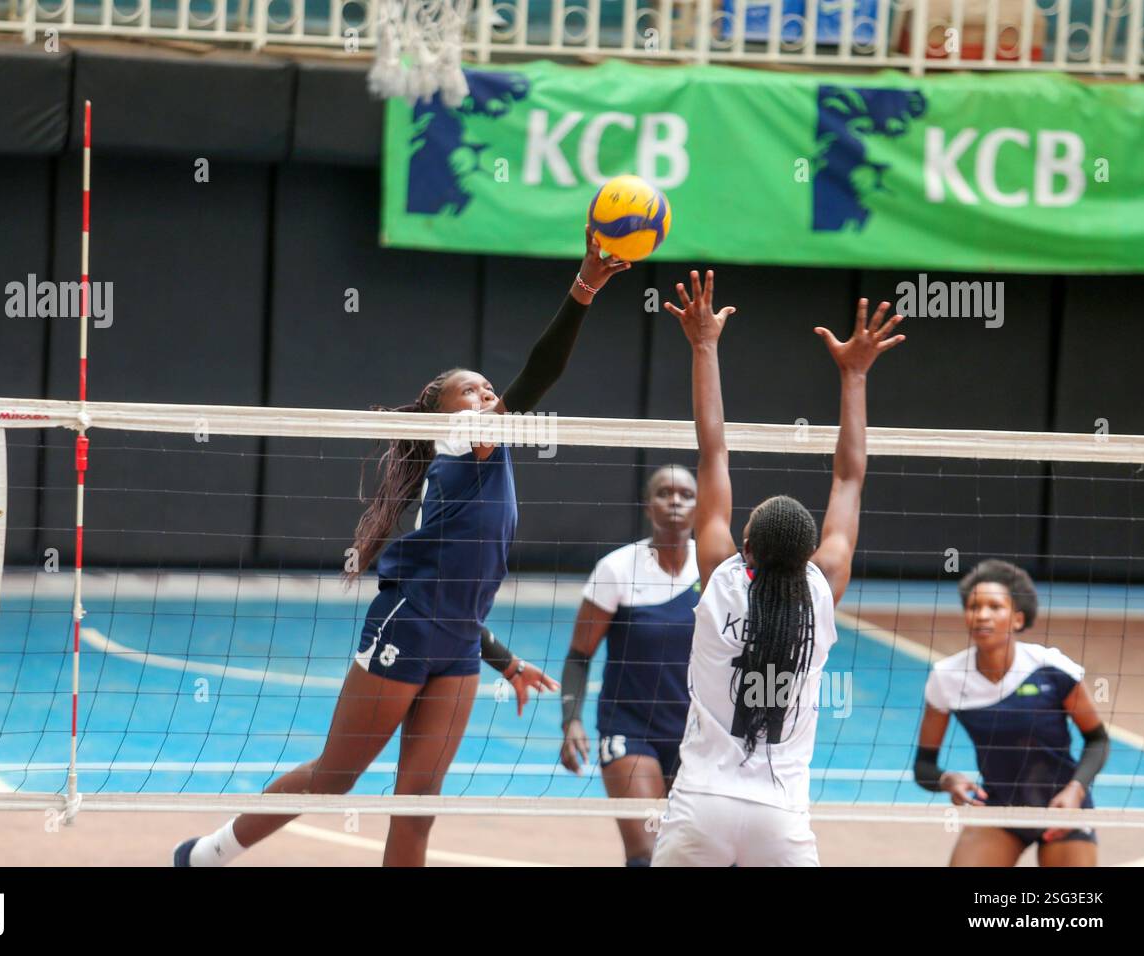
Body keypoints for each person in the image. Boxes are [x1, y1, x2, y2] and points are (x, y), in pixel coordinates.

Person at [174, 228, 629, 866]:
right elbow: (540, 374)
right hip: (406, 629)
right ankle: (206, 854)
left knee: (418, 806)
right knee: (336, 778)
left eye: (488, 389)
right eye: (470, 390)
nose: (486, 396)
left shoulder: (490, 456)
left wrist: (503, 659)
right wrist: (584, 285)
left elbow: (459, 590)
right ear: (441, 412)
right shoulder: (462, 437)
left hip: (460, 643)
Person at [652, 276, 904, 867]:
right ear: (812, 551)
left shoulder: (719, 576)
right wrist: (856, 376)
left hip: (700, 807)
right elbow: (849, 477)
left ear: (744, 543)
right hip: (780, 818)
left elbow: (712, 450)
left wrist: (704, 346)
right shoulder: (823, 589)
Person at [913, 558, 1109, 866]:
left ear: (1017, 619)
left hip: (1062, 807)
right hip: (999, 810)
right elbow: (923, 766)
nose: (982, 616)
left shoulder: (1051, 668)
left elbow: (1098, 741)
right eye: (974, 607)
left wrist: (1075, 793)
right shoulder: (946, 677)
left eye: (994, 607)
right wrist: (949, 781)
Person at [559, 464, 702, 866]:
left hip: (698, 734)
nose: (675, 500)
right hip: (630, 728)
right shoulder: (617, 569)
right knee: (647, 854)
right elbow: (578, 655)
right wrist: (570, 719)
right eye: (664, 493)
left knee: (706, 853)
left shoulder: (715, 570)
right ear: (647, 504)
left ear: (699, 506)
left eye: (686, 494)